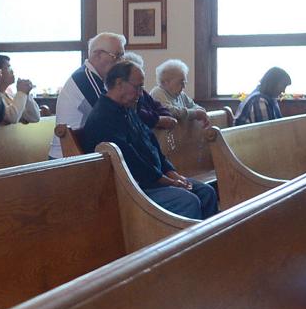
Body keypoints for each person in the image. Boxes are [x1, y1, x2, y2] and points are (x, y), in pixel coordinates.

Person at [81, 60, 218, 219]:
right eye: (137, 87)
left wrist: (173, 174)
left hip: (154, 181)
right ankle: (184, 244)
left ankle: (207, 243)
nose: (140, 94)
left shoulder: (128, 109)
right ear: (119, 83)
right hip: (133, 189)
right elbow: (133, 164)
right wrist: (169, 182)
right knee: (188, 201)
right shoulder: (103, 118)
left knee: (206, 192)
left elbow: (152, 145)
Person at [56, 32, 126, 132]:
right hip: (71, 146)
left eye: (122, 56)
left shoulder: (97, 77)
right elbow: (110, 115)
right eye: (117, 56)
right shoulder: (84, 78)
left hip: (85, 143)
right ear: (98, 55)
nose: (121, 62)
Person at [122, 52, 177, 131]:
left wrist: (164, 117)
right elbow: (138, 114)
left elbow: (158, 106)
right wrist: (157, 119)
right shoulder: (123, 96)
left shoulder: (142, 92)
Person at [150, 59, 210, 125]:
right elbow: (168, 111)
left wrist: (201, 111)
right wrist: (195, 113)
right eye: (181, 82)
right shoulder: (157, 92)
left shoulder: (181, 95)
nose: (184, 86)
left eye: (184, 83)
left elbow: (194, 106)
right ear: (165, 82)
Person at [0, 55, 40, 125]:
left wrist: (26, 94)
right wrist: (22, 92)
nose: (12, 71)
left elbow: (35, 117)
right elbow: (12, 117)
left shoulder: (11, 96)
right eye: (8, 67)